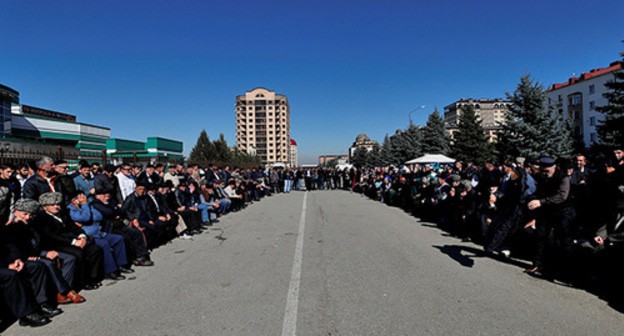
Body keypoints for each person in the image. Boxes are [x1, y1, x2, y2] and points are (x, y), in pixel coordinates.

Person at [7, 198, 86, 304]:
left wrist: (47, 251)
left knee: (70, 258)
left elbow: (40, 241)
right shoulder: (12, 227)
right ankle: (66, 291)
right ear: (16, 212)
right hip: (26, 256)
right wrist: (34, 255)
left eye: (30, 215)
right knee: (48, 263)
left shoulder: (31, 224)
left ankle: (62, 292)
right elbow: (16, 248)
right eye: (24, 214)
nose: (27, 217)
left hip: (39, 250)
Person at [33, 192, 104, 290]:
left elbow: (74, 226)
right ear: (45, 207)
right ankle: (83, 282)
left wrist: (82, 236)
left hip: (72, 240)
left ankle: (93, 277)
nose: (56, 206)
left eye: (58, 204)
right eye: (53, 205)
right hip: (56, 244)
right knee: (79, 254)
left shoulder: (63, 214)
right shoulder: (41, 218)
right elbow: (52, 236)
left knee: (95, 249)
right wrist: (74, 242)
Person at [525, 156, 575, 278]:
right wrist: (532, 200)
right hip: (546, 211)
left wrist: (541, 202)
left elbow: (562, 196)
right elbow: (537, 191)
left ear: (554, 167)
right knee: (541, 236)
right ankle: (537, 264)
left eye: (547, 171)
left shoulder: (562, 177)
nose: (545, 174)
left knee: (562, 240)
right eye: (542, 171)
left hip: (562, 211)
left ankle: (563, 270)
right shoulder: (541, 176)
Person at [68, 192, 130, 280]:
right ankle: (110, 271)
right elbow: (85, 217)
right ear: (74, 201)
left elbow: (99, 216)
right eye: (81, 198)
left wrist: (86, 214)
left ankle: (121, 265)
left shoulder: (86, 206)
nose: (84, 200)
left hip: (99, 233)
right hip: (89, 236)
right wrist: (85, 206)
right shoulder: (71, 210)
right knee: (104, 244)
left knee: (118, 239)